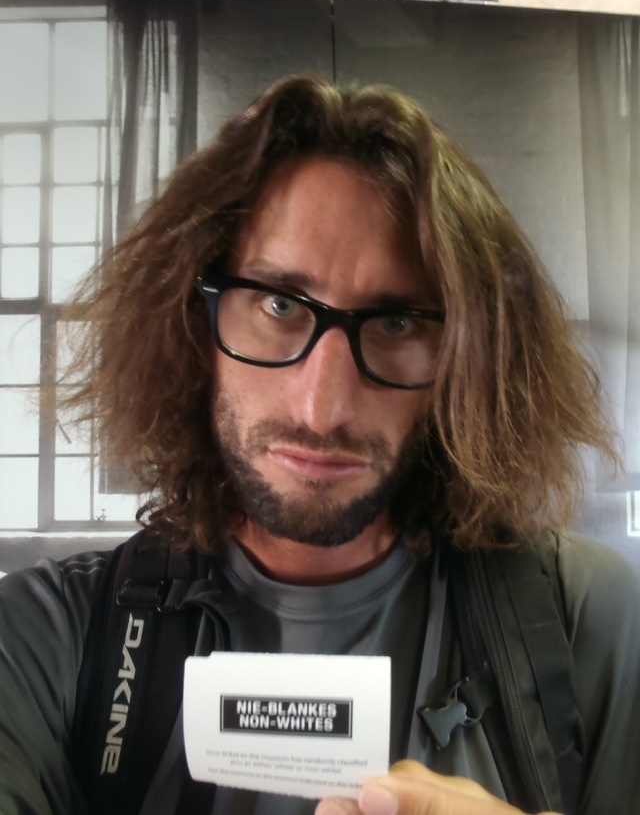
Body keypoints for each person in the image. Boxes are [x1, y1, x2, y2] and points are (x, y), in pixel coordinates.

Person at [0, 74, 639, 815]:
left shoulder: (586, 620)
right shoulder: (46, 641)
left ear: (469, 361)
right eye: (279, 304)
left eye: (396, 323)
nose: (323, 407)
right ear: (193, 323)